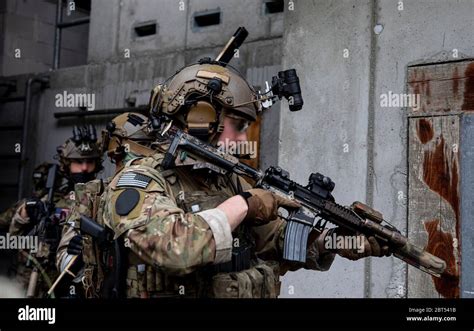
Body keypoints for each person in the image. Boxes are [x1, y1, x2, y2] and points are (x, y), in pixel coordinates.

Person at [97, 59, 391, 298]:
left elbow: (276, 241)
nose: (241, 138)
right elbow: (178, 251)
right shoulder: (140, 180)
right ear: (201, 117)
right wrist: (244, 206)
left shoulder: (227, 181)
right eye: (236, 125)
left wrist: (337, 242)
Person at [55, 113, 157, 298]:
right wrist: (81, 254)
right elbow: (64, 259)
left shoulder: (164, 190)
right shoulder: (91, 196)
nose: (85, 168)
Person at [9, 125, 102, 297]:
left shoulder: (102, 200)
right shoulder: (49, 200)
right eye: (78, 162)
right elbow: (14, 238)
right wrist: (24, 214)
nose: (84, 168)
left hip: (78, 282)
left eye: (89, 162)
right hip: (37, 282)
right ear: (66, 164)